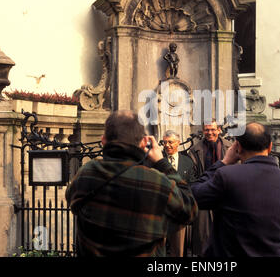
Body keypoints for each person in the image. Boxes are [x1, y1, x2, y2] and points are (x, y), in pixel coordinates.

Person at [65, 110, 198, 256]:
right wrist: (162, 163)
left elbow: (71, 199)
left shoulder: (86, 174)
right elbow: (189, 210)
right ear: (144, 142)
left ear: (103, 140)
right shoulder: (157, 182)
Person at [191, 122, 280, 256]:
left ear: (237, 147)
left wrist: (223, 163)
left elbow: (193, 195)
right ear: (270, 147)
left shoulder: (228, 176)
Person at [188, 119, 232, 256]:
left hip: (225, 195)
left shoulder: (229, 147)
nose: (210, 132)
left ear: (219, 130)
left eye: (213, 129)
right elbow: (193, 174)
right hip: (205, 194)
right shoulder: (194, 150)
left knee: (226, 235)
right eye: (207, 129)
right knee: (203, 236)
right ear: (203, 131)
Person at [162, 130, 197, 257]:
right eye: (164, 142)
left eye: (170, 142)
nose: (167, 145)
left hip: (179, 210)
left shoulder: (187, 162)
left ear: (178, 143)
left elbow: (192, 184)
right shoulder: (157, 159)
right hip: (161, 211)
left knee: (178, 249)